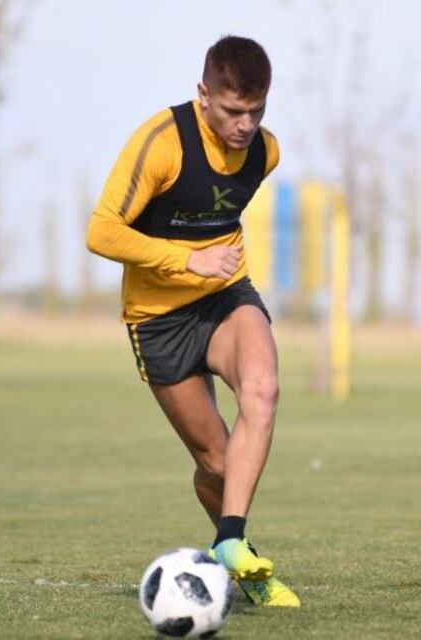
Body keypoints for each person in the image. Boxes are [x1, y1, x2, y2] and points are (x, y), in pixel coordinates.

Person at [87, 35, 299, 608]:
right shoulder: (162, 143)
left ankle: (229, 542)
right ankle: (239, 549)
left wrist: (213, 265)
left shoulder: (265, 153)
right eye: (233, 111)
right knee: (216, 462)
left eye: (256, 111)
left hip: (226, 298)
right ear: (203, 94)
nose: (245, 124)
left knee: (264, 389)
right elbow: (101, 231)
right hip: (157, 319)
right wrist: (186, 258)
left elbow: (220, 214)